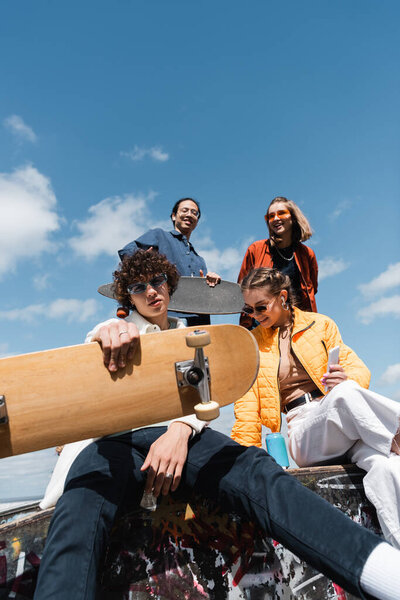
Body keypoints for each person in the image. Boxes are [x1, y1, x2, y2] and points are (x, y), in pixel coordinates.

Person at [33, 251, 400, 600]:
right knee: (79, 505)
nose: (150, 291)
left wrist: (179, 431)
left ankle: (385, 572)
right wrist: (106, 332)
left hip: (178, 434)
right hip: (111, 444)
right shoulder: (117, 329)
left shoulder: (190, 339)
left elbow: (202, 399)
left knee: (259, 472)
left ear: (169, 285)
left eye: (157, 281)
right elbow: (97, 340)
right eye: (137, 287)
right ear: (127, 297)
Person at [232, 266, 400, 551]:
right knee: (346, 395)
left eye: (261, 307)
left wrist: (347, 377)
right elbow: (247, 407)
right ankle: (395, 431)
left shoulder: (321, 325)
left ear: (283, 297)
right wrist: (242, 462)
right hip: (305, 431)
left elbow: (359, 370)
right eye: (249, 310)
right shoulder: (252, 344)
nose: (255, 316)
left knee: (387, 467)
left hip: (347, 420)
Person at [119, 197, 220, 325]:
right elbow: (127, 251)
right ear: (174, 216)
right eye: (185, 210)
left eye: (194, 213)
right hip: (170, 315)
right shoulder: (159, 235)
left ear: (197, 221)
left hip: (199, 319)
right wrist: (144, 260)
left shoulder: (200, 260)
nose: (189, 214)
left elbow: (204, 294)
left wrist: (211, 280)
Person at [238, 196, 318, 328]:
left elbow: (311, 290)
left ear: (293, 217)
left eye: (281, 213)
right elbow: (241, 289)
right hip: (261, 322)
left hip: (296, 321)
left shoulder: (307, 254)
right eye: (270, 216)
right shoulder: (255, 249)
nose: (275, 218)